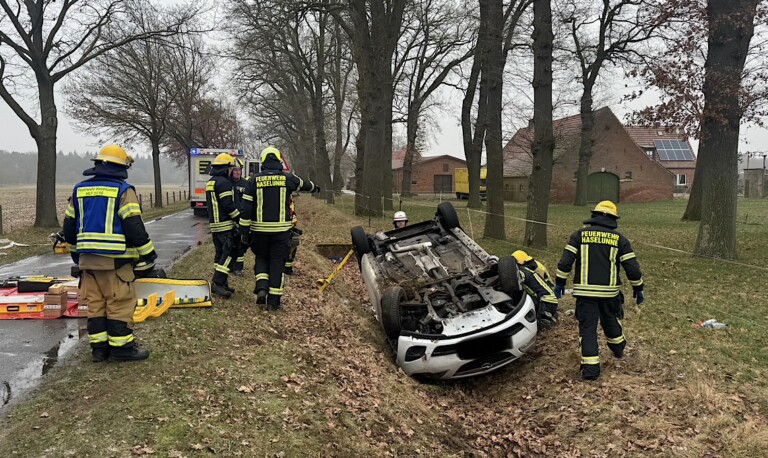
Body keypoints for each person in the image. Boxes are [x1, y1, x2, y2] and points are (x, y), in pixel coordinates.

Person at [62, 145, 156, 362]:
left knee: (95, 304)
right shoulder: (124, 191)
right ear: (121, 167)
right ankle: (122, 349)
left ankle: (99, 350)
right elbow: (134, 226)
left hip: (87, 262)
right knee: (119, 303)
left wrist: (77, 256)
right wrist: (148, 255)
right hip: (116, 262)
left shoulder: (80, 190)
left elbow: (69, 228)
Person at [554, 200, 644, 380]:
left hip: (585, 294)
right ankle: (618, 349)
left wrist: (560, 284)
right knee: (611, 319)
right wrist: (638, 288)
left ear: (594, 215)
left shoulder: (578, 236)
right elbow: (632, 268)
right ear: (613, 218)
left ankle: (591, 370)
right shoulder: (619, 239)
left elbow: (565, 262)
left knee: (588, 329)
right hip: (610, 293)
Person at [240, 146, 319, 310]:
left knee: (261, 258)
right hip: (281, 233)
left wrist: (244, 233)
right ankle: (274, 303)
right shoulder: (287, 178)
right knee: (277, 264)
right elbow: (304, 185)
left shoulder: (253, 181)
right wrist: (315, 187)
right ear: (278, 161)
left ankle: (262, 288)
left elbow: (246, 210)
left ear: (262, 161)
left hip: (259, 232)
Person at [206, 153, 241, 297]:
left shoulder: (211, 182)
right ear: (225, 168)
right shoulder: (224, 183)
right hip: (225, 225)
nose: (232, 171)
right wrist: (239, 219)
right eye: (230, 168)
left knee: (220, 254)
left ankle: (223, 284)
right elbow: (228, 205)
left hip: (215, 225)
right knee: (230, 253)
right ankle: (218, 283)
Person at [512, 250, 558, 330]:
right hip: (548, 296)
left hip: (546, 299)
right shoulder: (534, 267)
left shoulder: (524, 272)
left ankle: (546, 319)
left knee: (540, 324)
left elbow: (517, 279)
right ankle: (550, 315)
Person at [230, 158, 247, 276]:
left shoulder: (245, 184)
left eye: (239, 170)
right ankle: (229, 266)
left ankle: (238, 268)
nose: (237, 172)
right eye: (235, 170)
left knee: (240, 244)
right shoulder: (227, 183)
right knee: (229, 244)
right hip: (229, 218)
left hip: (241, 218)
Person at [284, 196, 303, 275]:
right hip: (284, 227)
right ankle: (286, 270)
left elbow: (292, 212)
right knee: (288, 248)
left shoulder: (289, 199)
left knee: (292, 247)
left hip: (289, 226)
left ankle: (288, 269)